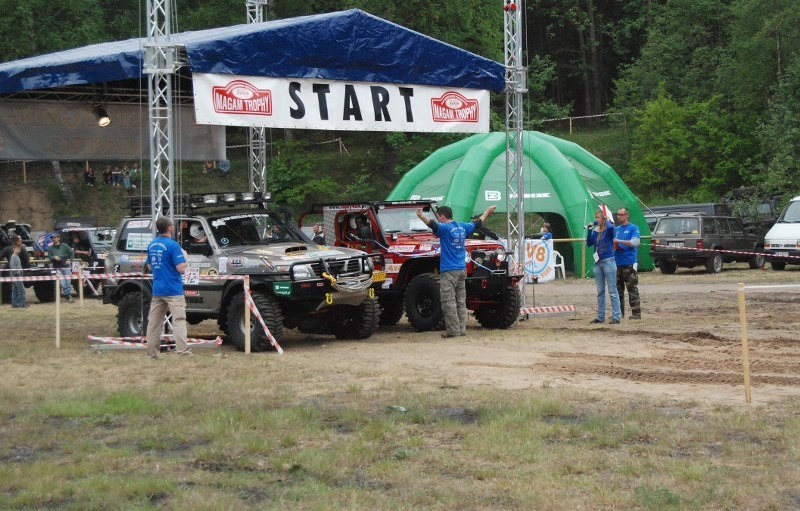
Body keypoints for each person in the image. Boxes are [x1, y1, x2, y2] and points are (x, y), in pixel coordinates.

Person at [416, 205, 497, 338]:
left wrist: (421, 216)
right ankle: (461, 329)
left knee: (449, 302)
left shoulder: (445, 228)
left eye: (439, 217)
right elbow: (478, 223)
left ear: (442, 216)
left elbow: (432, 225)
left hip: (448, 270)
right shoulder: (462, 227)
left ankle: (453, 331)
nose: (438, 219)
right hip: (461, 269)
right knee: (460, 301)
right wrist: (487, 211)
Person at [145, 217, 192, 358]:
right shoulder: (173, 246)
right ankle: (183, 352)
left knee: (154, 323)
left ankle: (152, 354)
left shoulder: (152, 245)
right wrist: (186, 257)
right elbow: (181, 268)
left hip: (158, 289)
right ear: (170, 228)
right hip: (173, 289)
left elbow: (149, 266)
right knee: (178, 321)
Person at [586, 210, 621, 324]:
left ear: (604, 218)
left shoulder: (609, 230)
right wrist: (590, 230)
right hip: (598, 262)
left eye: (599, 218)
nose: (597, 220)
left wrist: (607, 221)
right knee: (600, 291)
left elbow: (611, 229)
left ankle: (616, 316)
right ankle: (600, 316)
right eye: (595, 217)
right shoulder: (596, 231)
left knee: (612, 290)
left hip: (608, 261)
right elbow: (589, 243)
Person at [613, 208, 641, 320]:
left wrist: (619, 242)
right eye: (618, 214)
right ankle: (619, 313)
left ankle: (636, 313)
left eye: (621, 214)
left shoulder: (633, 228)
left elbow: (635, 242)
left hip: (629, 263)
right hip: (617, 263)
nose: (619, 216)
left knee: (632, 289)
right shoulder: (617, 229)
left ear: (627, 215)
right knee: (618, 290)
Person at [47, 233, 75, 303]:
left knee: (68, 282)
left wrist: (70, 260)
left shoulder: (64, 246)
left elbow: (71, 253)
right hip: (57, 268)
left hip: (66, 266)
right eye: (52, 238)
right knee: (62, 282)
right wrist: (54, 257)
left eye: (55, 237)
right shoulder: (50, 248)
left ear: (59, 238)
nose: (53, 239)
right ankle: (68, 295)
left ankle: (68, 295)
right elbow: (50, 257)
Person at [9, 244, 27, 308]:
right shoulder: (13, 257)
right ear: (13, 249)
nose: (18, 250)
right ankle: (22, 304)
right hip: (16, 276)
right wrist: (18, 272)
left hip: (17, 275)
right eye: (17, 249)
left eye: (19, 249)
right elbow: (13, 267)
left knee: (15, 290)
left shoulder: (17, 256)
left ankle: (15, 304)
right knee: (21, 290)